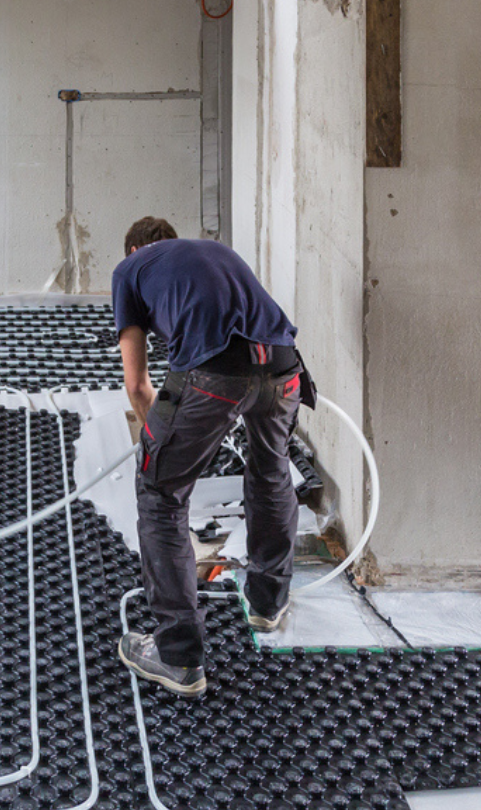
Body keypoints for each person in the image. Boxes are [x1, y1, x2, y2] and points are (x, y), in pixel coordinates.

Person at [113, 216, 314, 698]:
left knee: (161, 493)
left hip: (214, 374)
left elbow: (137, 384)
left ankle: (178, 656)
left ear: (135, 249)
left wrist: (159, 440)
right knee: (271, 469)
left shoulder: (130, 269)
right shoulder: (213, 251)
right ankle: (267, 602)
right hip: (283, 365)